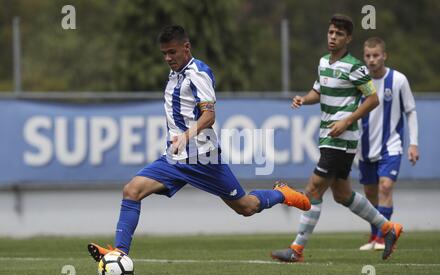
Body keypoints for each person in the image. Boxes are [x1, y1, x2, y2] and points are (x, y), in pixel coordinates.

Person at [87, 25, 311, 262]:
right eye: (164, 53)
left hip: (203, 158)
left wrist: (185, 135)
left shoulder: (198, 73)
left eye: (172, 52)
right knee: (132, 190)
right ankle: (120, 254)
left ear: (186, 47)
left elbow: (209, 115)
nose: (167, 58)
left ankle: (281, 193)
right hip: (174, 159)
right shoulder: (175, 74)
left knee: (245, 207)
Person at [271, 14, 403, 263]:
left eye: (339, 34)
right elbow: (317, 92)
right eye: (331, 32)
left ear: (348, 38)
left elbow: (373, 99)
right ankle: (389, 229)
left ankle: (296, 249)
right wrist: (304, 99)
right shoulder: (323, 62)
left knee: (313, 189)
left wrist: (346, 121)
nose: (333, 37)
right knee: (342, 194)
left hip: (342, 138)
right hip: (328, 136)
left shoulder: (355, 66)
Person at [358, 37, 419, 251]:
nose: (372, 60)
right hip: (364, 147)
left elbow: (410, 111)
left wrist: (413, 144)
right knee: (370, 193)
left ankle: (384, 238)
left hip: (391, 144)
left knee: (385, 187)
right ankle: (375, 236)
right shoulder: (359, 80)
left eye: (376, 55)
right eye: (368, 56)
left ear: (385, 55)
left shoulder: (399, 80)